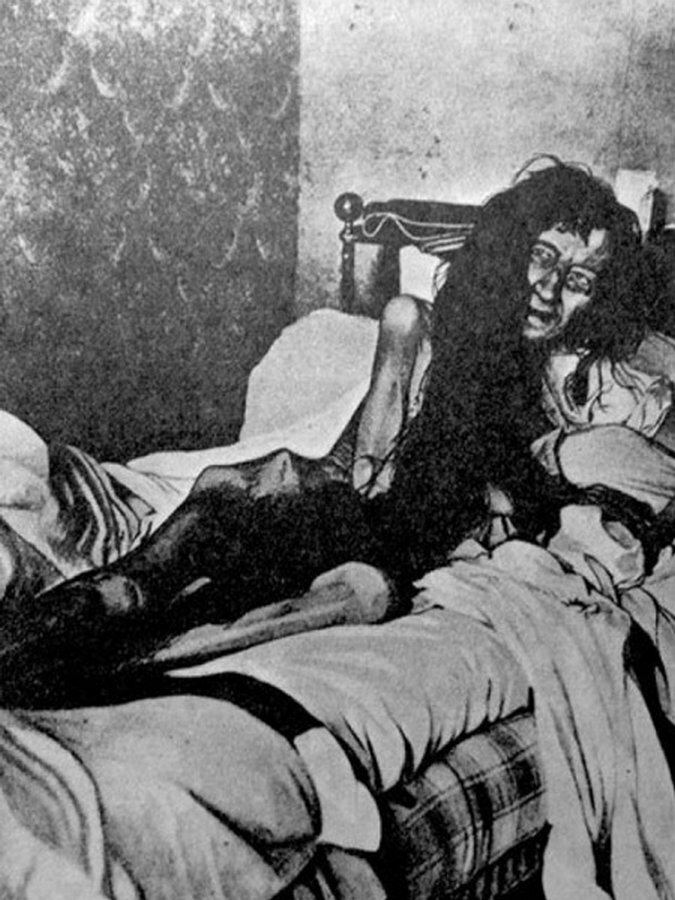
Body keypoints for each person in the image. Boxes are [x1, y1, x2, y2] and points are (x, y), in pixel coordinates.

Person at [3, 156, 674, 703]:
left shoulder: (559, 386)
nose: (549, 288)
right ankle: (45, 645)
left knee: (310, 600)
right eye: (540, 256)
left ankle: (119, 671)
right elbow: (371, 475)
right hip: (299, 501)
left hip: (364, 542)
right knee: (138, 587)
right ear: (505, 251)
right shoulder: (415, 323)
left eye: (579, 280)